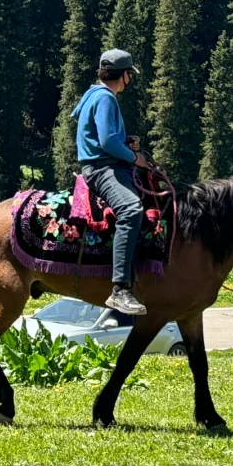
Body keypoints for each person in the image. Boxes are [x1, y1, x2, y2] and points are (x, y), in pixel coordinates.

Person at [71, 48, 148, 316]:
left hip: (103, 163)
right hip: (103, 169)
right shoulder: (105, 99)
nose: (130, 79)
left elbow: (104, 137)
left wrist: (126, 144)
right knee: (131, 209)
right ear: (124, 75)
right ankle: (120, 290)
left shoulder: (94, 94)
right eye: (130, 74)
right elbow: (105, 142)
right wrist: (133, 156)